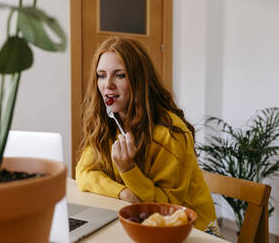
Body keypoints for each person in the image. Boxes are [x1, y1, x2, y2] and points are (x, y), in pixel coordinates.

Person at [75, 36, 220, 234]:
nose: (107, 85)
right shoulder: (108, 123)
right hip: (142, 221)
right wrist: (124, 193)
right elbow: (84, 173)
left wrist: (128, 170)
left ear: (139, 80)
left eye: (120, 75)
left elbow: (168, 207)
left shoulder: (169, 132)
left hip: (193, 230)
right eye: (101, 75)